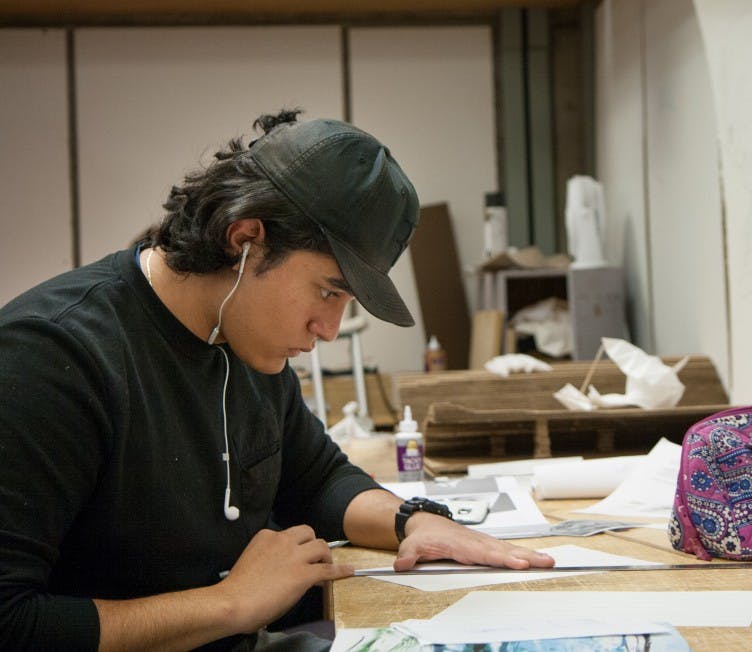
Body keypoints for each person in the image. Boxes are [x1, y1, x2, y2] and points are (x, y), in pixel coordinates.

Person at [0, 110, 554, 652]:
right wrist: (230, 604)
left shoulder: (244, 339)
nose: (329, 329)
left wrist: (412, 522)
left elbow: (316, 479)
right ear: (245, 241)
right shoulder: (52, 356)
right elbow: (10, 622)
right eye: (328, 291)